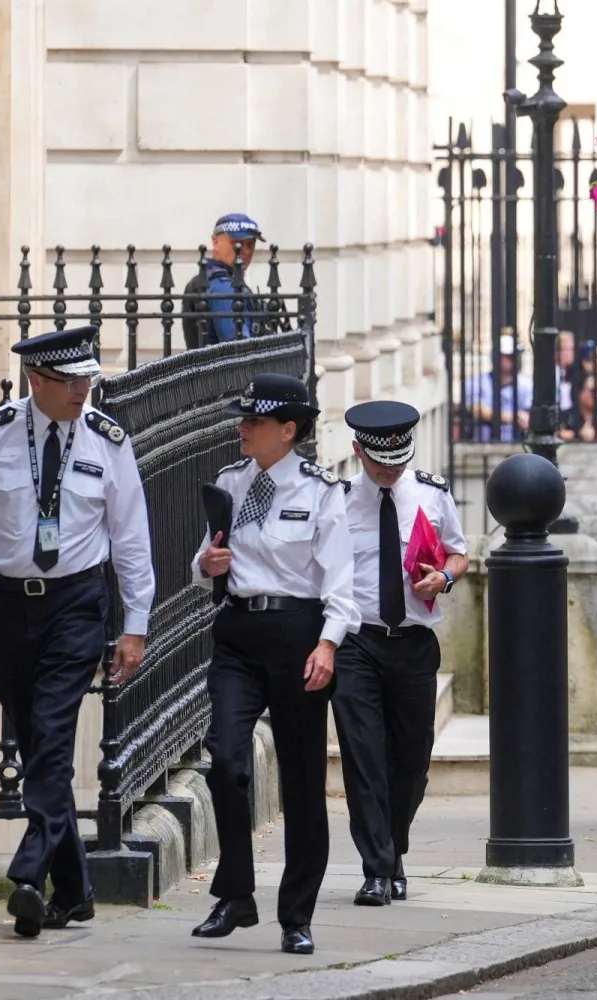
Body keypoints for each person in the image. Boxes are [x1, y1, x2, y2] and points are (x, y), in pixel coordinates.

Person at [0, 326, 153, 937]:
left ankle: (28, 873)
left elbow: (131, 541)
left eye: (87, 380)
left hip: (77, 604)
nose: (83, 391)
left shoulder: (109, 441)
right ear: (37, 381)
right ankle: (75, 888)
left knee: (51, 735)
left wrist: (134, 626)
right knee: (34, 743)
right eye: (71, 381)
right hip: (7, 605)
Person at [189, 374, 359, 955]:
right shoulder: (230, 484)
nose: (243, 427)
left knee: (304, 778)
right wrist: (205, 564)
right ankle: (236, 894)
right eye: (244, 419)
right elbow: (205, 559)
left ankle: (296, 915)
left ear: (288, 431)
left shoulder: (321, 491)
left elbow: (341, 582)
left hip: (298, 633)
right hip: (238, 633)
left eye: (255, 421)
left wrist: (329, 644)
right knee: (226, 760)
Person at [333, 400, 469, 906]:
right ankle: (376, 868)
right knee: (364, 758)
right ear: (357, 452)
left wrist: (446, 576)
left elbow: (459, 552)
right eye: (379, 463)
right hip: (356, 644)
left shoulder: (431, 495)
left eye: (398, 462)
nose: (390, 471)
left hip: (414, 644)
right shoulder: (338, 500)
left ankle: (395, 851)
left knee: (411, 763)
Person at [182, 213, 264, 347]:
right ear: (215, 242)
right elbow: (240, 351)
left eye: (250, 244)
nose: (246, 251)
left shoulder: (207, 281)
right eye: (237, 244)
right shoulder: (223, 288)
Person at [462, 334, 533, 441]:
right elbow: (476, 408)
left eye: (517, 356)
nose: (515, 360)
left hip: (517, 447)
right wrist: (512, 418)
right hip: (483, 448)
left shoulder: (526, 384)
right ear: (497, 357)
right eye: (509, 357)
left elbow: (530, 414)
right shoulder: (478, 382)